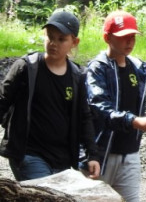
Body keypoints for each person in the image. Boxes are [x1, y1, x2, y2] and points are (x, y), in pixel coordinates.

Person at [0, 9, 101, 181]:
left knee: (58, 198)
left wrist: (93, 155)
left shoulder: (76, 76)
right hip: (29, 154)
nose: (53, 43)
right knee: (45, 194)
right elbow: (3, 101)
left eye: (61, 39)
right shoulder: (26, 68)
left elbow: (84, 117)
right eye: (50, 36)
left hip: (62, 158)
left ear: (74, 42)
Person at [85, 11, 146, 202]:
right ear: (107, 38)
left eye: (132, 37)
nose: (129, 42)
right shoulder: (98, 68)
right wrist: (134, 121)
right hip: (101, 154)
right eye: (123, 37)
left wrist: (142, 123)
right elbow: (99, 108)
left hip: (130, 154)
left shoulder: (137, 68)